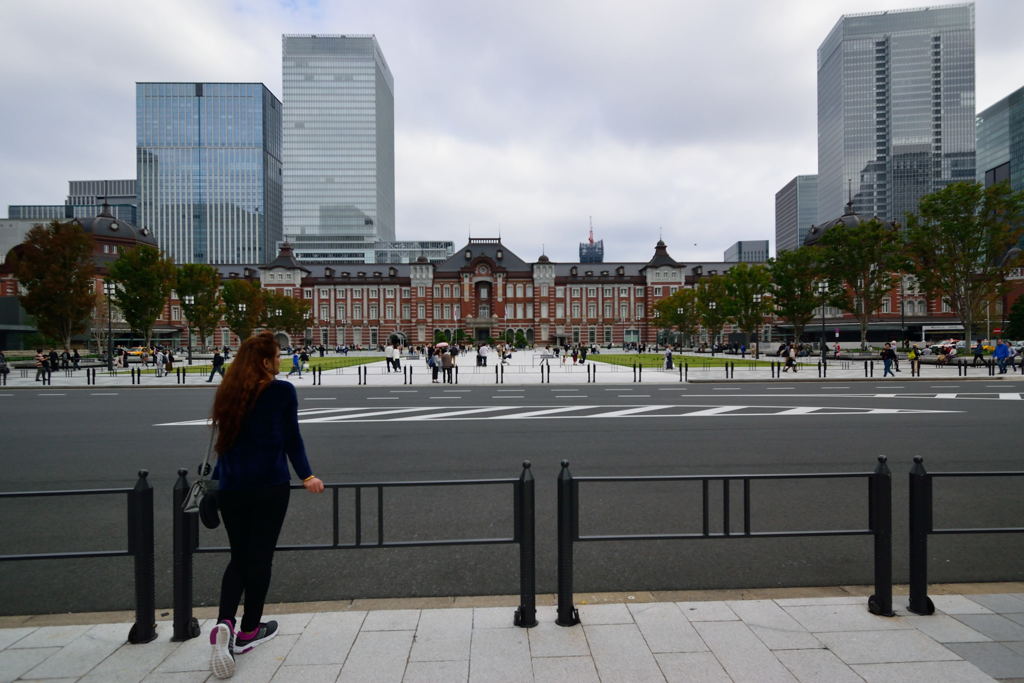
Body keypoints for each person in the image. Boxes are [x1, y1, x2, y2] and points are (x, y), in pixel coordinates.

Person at [207, 331, 324, 679]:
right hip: (269, 485)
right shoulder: (281, 391)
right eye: (277, 354)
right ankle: (247, 631)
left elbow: (223, 445)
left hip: (231, 486)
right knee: (261, 558)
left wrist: (217, 481)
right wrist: (307, 476)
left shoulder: (228, 391)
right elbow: (292, 438)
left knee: (239, 556)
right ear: (264, 360)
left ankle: (224, 620)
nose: (281, 359)